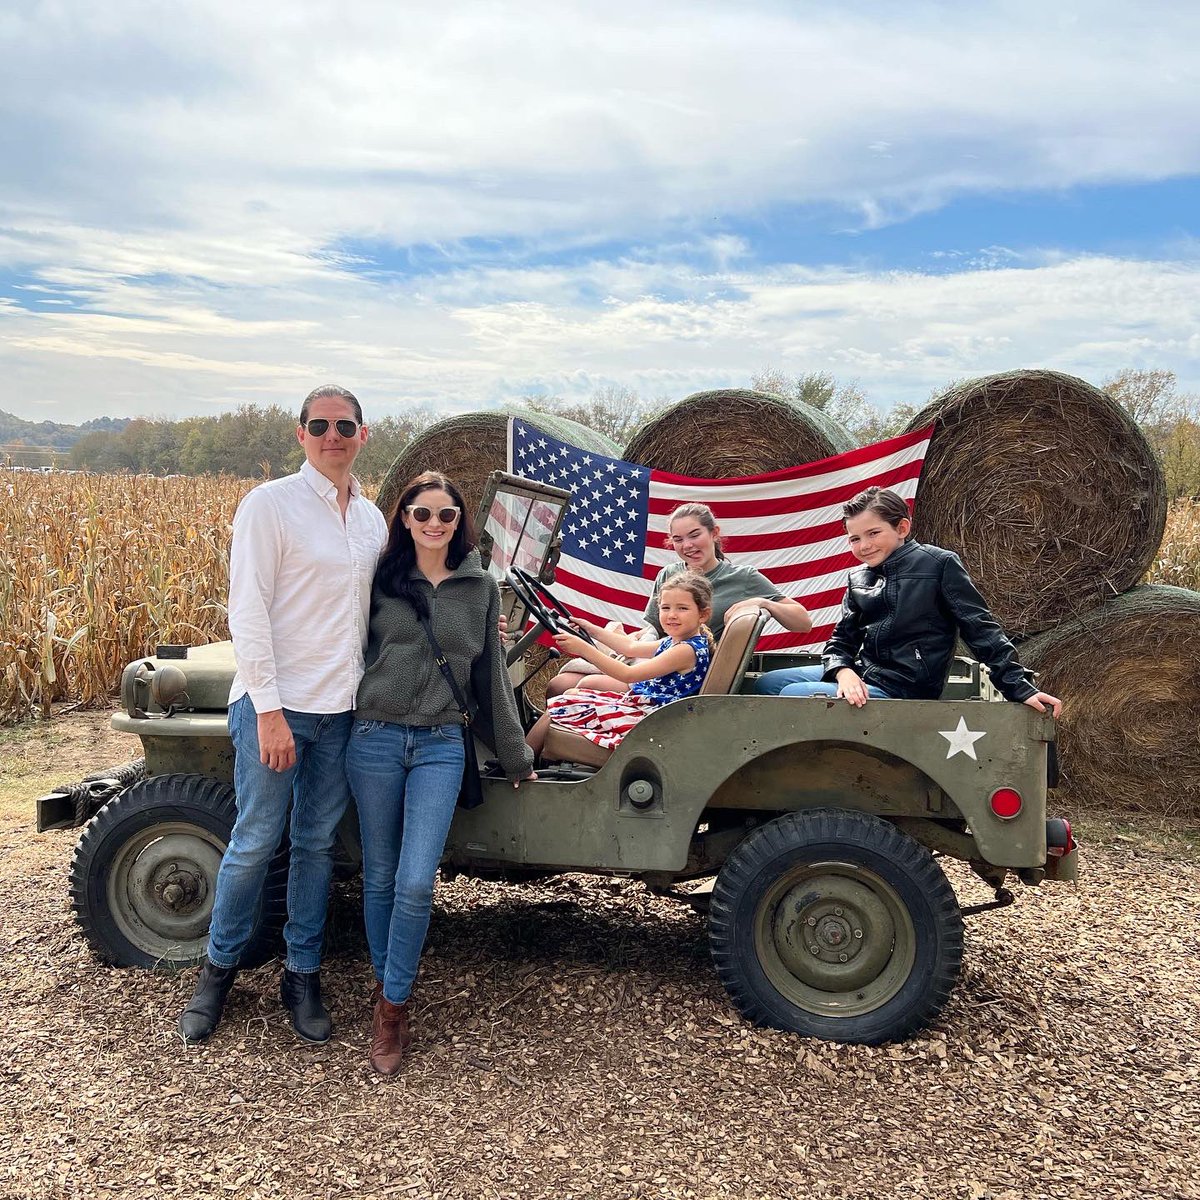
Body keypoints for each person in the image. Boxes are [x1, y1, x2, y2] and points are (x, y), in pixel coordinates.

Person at [178, 384, 389, 1046]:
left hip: (341, 708)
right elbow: (248, 609)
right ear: (300, 435)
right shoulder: (270, 506)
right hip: (279, 705)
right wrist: (268, 711)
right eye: (319, 424)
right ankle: (217, 972)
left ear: (362, 435)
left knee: (316, 845)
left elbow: (383, 612)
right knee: (254, 842)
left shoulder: (373, 520)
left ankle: (301, 975)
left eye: (344, 425)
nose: (333, 434)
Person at [346, 471, 536, 1077]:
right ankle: (389, 985)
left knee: (415, 882)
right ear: (404, 518)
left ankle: (392, 1005)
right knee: (377, 876)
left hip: (439, 744)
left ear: (459, 522)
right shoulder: (379, 578)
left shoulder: (480, 587)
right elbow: (342, 645)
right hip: (374, 735)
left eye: (445, 516)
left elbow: (491, 682)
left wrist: (516, 754)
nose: (433, 524)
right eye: (422, 514)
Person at [751, 487, 1062, 715]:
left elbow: (980, 629)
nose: (864, 546)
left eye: (873, 533)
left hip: (905, 687)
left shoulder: (938, 565)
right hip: (866, 672)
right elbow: (841, 642)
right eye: (855, 539)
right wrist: (844, 672)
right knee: (768, 683)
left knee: (791, 693)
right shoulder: (859, 579)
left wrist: (1019, 688)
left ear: (902, 527)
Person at [545, 501, 811, 698]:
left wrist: (764, 603)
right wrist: (627, 647)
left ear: (714, 533)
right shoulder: (669, 574)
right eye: (678, 539)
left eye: (695, 535)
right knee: (561, 682)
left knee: (565, 686)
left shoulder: (742, 578)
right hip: (655, 658)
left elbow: (803, 623)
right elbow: (653, 628)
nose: (688, 546)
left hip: (682, 676)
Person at [527, 572, 714, 756]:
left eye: (682, 608)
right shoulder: (675, 641)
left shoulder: (685, 650)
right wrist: (591, 629)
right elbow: (631, 647)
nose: (672, 615)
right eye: (665, 608)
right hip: (648, 706)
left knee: (560, 705)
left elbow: (628, 674)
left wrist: (583, 649)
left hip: (654, 719)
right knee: (570, 694)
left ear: (703, 615)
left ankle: (519, 763)